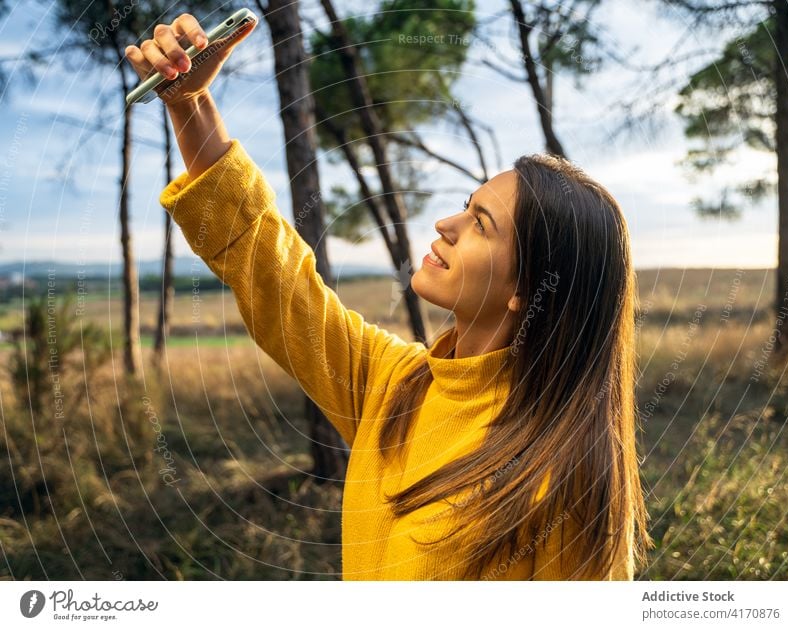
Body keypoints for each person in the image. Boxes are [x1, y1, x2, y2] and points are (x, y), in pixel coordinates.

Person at [124, 13, 653, 580]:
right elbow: (270, 267)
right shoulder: (395, 385)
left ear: (528, 288)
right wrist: (190, 102)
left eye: (481, 224)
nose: (447, 224)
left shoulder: (560, 481)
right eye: (465, 205)